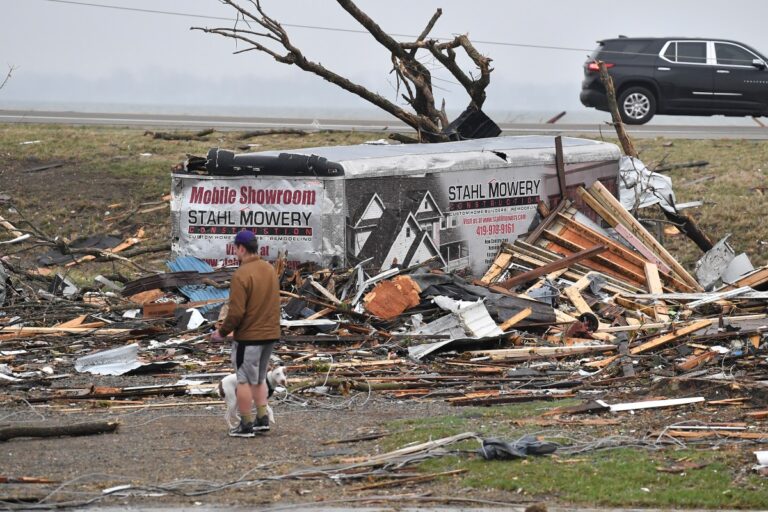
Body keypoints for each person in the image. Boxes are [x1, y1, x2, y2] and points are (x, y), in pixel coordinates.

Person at [210, 230, 281, 437]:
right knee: (258, 378)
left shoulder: (241, 274)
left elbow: (237, 312)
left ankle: (246, 424)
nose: (235, 253)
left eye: (235, 249)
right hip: (270, 334)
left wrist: (222, 333)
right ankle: (262, 419)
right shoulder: (269, 270)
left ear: (241, 248)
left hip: (249, 338)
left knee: (242, 380)